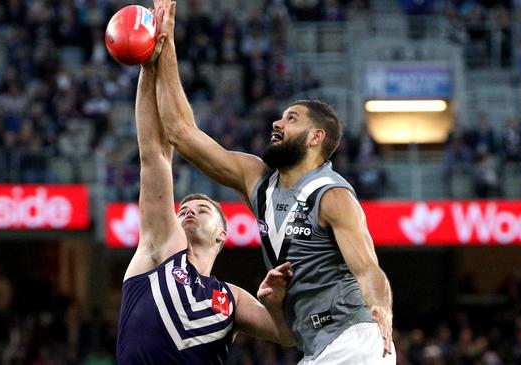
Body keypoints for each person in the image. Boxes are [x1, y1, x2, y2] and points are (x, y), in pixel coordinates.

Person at [152, 1, 395, 363]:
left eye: (291, 119)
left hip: (353, 340)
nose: (277, 124)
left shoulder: (332, 195)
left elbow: (368, 267)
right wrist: (165, 42)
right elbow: (180, 133)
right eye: (280, 118)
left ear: (316, 137)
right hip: (318, 347)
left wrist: (381, 308)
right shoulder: (258, 182)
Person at [116, 4, 296, 364]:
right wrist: (150, 62)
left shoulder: (231, 298)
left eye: (202, 209)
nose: (188, 212)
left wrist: (274, 305)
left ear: (222, 234)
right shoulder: (161, 250)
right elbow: (154, 156)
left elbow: (287, 337)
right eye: (184, 209)